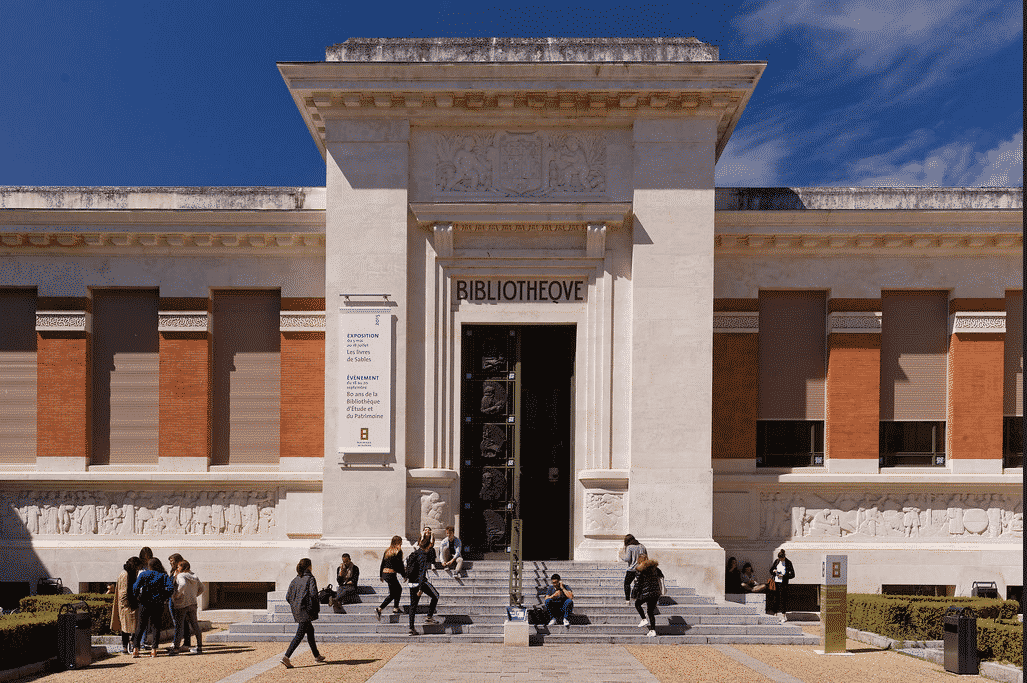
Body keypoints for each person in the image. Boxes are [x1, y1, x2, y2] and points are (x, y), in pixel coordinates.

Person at [281, 558, 326, 668]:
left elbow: (287, 597)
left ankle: (316, 655)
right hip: (306, 610)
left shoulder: (294, 580)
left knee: (310, 630)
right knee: (300, 634)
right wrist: (315, 606)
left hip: (297, 610)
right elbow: (313, 594)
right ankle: (286, 656)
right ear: (309, 567)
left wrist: (295, 604)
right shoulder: (310, 578)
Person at [132, 558, 174, 658]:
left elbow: (135, 587)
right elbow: (171, 588)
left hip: (144, 602)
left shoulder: (144, 574)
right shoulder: (163, 575)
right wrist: (164, 597)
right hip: (157, 603)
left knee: (141, 626)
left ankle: (135, 649)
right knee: (156, 626)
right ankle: (154, 649)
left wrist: (137, 596)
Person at [406, 537, 440, 635]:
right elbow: (421, 572)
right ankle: (429, 617)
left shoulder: (414, 553)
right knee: (436, 595)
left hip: (411, 582)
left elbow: (407, 565)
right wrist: (420, 588)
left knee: (413, 605)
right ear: (428, 545)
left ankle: (411, 628)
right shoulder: (423, 555)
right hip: (420, 583)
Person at [171, 560, 204, 655]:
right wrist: (194, 595)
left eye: (178, 567)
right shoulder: (194, 576)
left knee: (179, 625)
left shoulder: (181, 575)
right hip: (193, 603)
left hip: (182, 603)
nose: (177, 569)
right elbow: (202, 588)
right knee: (195, 625)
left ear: (183, 567)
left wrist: (177, 595)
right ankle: (199, 646)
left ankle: (176, 647)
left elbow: (182, 584)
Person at [110, 556, 142, 653]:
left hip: (129, 603)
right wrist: (126, 604)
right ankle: (126, 646)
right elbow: (123, 592)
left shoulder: (127, 573)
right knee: (126, 626)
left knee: (129, 625)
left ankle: (129, 645)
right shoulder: (125, 574)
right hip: (126, 605)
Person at [631, 554, 663, 637]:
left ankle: (643, 619)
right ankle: (653, 630)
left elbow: (638, 583)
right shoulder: (655, 568)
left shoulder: (640, 569)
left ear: (639, 560)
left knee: (637, 604)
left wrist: (633, 594)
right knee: (650, 612)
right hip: (655, 593)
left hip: (646, 592)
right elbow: (661, 576)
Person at [376, 535, 405, 620]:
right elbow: (399, 565)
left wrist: (381, 575)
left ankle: (396, 608)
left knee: (398, 589)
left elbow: (383, 563)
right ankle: (379, 608)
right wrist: (404, 574)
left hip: (385, 573)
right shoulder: (397, 551)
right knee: (393, 593)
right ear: (399, 542)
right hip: (391, 574)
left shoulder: (387, 551)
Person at [619, 534, 647, 602]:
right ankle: (639, 598)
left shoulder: (630, 547)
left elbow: (627, 559)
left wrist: (621, 556)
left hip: (631, 569)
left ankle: (627, 600)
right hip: (641, 569)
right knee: (640, 584)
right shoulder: (642, 546)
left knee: (627, 584)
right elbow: (646, 558)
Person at [769, 549, 795, 616]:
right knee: (775, 598)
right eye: (780, 559)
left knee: (783, 598)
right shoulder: (777, 562)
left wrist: (783, 576)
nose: (781, 560)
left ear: (784, 557)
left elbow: (792, 574)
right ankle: (775, 612)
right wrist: (774, 572)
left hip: (784, 583)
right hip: (776, 582)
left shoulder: (788, 563)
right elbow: (771, 570)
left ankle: (783, 614)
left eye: (782, 559)